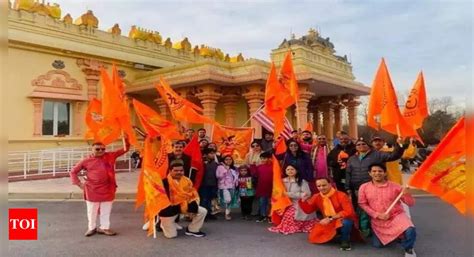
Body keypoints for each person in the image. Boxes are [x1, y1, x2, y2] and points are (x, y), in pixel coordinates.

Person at [346, 137, 405, 238]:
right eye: (358, 145)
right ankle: (364, 231)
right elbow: (348, 173)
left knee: (376, 209)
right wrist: (348, 188)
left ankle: (382, 231)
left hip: (373, 188)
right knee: (361, 211)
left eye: (363, 144)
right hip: (357, 189)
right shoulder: (352, 159)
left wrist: (400, 146)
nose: (361, 146)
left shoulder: (377, 155)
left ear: (368, 145)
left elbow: (393, 156)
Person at [70, 139, 130, 237]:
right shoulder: (86, 160)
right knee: (92, 210)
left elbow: (124, 149)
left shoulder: (110, 156)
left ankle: (104, 228)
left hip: (108, 188)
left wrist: (126, 138)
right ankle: (91, 228)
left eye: (103, 149)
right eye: (97, 149)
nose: (101, 151)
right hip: (92, 189)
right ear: (92, 149)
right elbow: (73, 172)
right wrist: (79, 184)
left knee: (106, 210)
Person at [358, 163, 417, 257]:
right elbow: (362, 204)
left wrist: (406, 194)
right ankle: (398, 236)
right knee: (377, 245)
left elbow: (411, 203)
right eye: (374, 171)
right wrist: (377, 215)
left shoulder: (395, 186)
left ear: (385, 173)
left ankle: (408, 248)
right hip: (378, 220)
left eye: (380, 171)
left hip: (396, 216)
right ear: (369, 173)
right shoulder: (364, 187)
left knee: (410, 229)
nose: (377, 173)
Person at [299, 177, 358, 251]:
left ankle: (345, 240)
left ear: (330, 184)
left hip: (343, 219)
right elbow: (308, 210)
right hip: (329, 221)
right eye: (319, 186)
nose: (321, 188)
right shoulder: (316, 196)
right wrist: (303, 201)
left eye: (324, 185)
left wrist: (330, 218)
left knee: (346, 222)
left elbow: (349, 212)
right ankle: (336, 234)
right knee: (314, 237)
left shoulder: (341, 195)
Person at [158, 160, 207, 238]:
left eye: (181, 170)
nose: (179, 172)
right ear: (170, 171)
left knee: (203, 211)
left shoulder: (187, 181)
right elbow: (159, 199)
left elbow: (192, 193)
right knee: (171, 236)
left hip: (184, 205)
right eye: (176, 170)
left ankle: (192, 229)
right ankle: (163, 224)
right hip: (169, 210)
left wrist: (193, 202)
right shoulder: (164, 182)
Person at [269, 164, 317, 235]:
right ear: (285, 171)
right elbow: (278, 192)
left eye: (292, 169)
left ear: (296, 171)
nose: (290, 171)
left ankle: (299, 226)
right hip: (286, 203)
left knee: (290, 216)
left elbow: (307, 194)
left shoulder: (302, 181)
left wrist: (289, 194)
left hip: (299, 203)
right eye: (288, 169)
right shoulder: (282, 181)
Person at [250, 151, 274, 222]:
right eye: (261, 158)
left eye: (264, 158)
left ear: (270, 158)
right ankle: (263, 215)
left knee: (271, 203)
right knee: (262, 202)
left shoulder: (274, 167)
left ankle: (270, 215)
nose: (262, 160)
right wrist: (253, 166)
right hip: (262, 188)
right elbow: (255, 174)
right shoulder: (259, 167)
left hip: (272, 188)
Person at [216, 155, 239, 220]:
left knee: (230, 201)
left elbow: (236, 177)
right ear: (223, 160)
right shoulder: (220, 167)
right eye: (226, 159)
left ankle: (227, 214)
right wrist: (225, 170)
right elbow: (218, 176)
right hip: (224, 186)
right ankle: (220, 209)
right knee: (227, 200)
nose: (228, 161)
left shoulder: (234, 168)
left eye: (230, 159)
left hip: (232, 186)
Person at [199, 148, 219, 220]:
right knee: (204, 200)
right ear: (206, 155)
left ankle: (209, 213)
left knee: (210, 199)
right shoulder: (202, 163)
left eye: (213, 153)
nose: (213, 155)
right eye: (211, 153)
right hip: (204, 184)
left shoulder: (215, 164)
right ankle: (203, 215)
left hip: (213, 184)